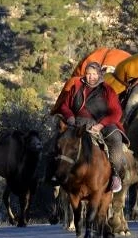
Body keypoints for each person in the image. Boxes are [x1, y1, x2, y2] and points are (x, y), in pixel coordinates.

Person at [55, 61, 128, 192]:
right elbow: (64, 106)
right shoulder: (77, 86)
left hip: (102, 123)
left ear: (100, 74)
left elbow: (116, 112)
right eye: (88, 74)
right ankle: (51, 172)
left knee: (115, 139)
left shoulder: (108, 90)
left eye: (94, 74)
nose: (91, 77)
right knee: (59, 140)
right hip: (77, 123)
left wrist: (101, 125)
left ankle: (115, 175)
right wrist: (70, 117)